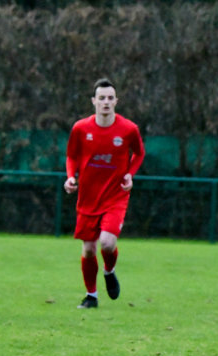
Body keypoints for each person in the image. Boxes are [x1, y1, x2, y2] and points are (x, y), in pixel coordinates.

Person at [64, 78, 145, 309]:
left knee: (107, 243)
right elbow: (72, 156)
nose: (106, 102)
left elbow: (139, 153)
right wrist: (70, 177)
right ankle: (91, 296)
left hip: (115, 195)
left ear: (116, 101)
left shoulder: (128, 129)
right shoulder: (81, 128)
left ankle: (109, 270)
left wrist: (130, 174)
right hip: (88, 196)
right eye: (102, 98)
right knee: (89, 249)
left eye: (110, 98)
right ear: (94, 101)